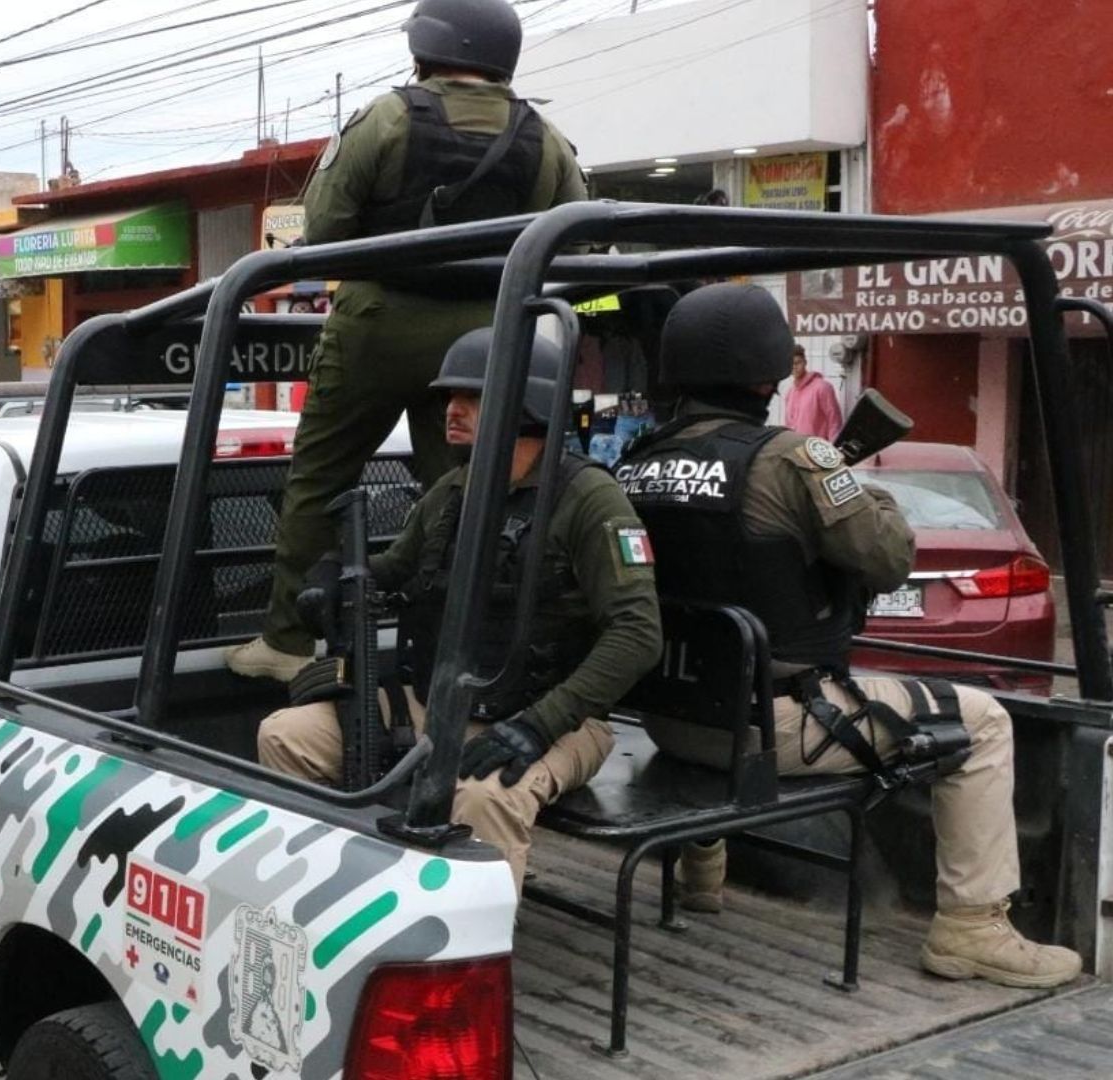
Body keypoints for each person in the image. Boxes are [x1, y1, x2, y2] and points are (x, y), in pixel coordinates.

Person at [614, 282, 1081, 988]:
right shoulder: (798, 460)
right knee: (983, 723)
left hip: (670, 717)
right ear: (766, 372)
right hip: (769, 726)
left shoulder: (638, 462)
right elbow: (888, 556)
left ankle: (701, 881)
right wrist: (870, 492)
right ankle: (972, 928)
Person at [226, 0, 591, 682]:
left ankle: (287, 643)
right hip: (482, 340)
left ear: (426, 46)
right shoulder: (544, 137)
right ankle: (456, 644)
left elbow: (328, 232)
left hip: (376, 324)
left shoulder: (387, 118)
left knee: (319, 478)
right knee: (460, 489)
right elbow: (577, 238)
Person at [257, 329, 662, 890]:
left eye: (472, 397)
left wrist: (537, 726)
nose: (452, 410)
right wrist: (336, 578)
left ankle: (475, 962)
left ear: (529, 402)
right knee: (287, 736)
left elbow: (638, 634)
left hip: (555, 716)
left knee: (482, 796)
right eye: (450, 397)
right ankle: (337, 897)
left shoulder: (588, 499)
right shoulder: (452, 493)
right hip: (440, 703)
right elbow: (394, 571)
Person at [782, 343, 843, 439]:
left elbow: (834, 421)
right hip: (797, 450)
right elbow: (789, 426)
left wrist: (833, 449)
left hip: (818, 450)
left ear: (805, 362)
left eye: (797, 362)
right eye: (790, 364)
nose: (794, 367)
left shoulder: (822, 387)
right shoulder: (790, 393)